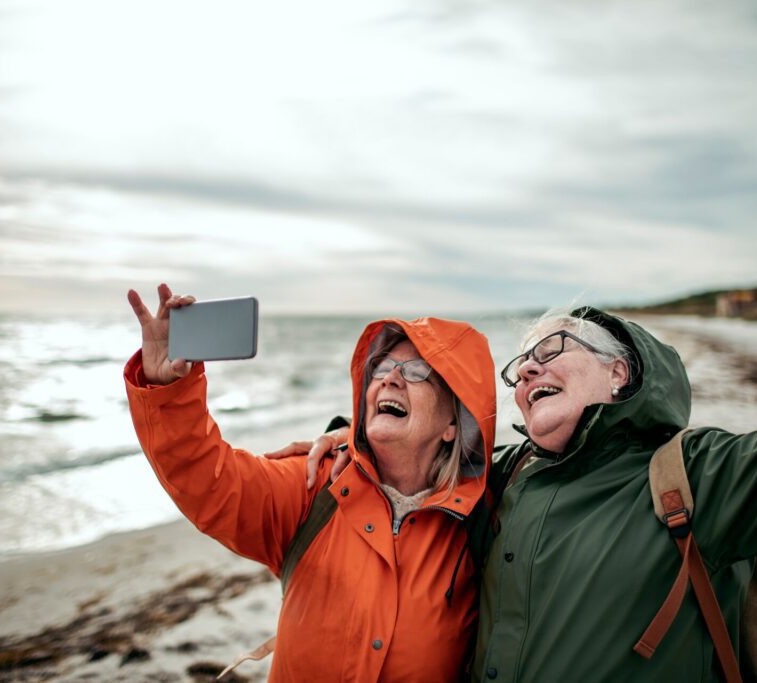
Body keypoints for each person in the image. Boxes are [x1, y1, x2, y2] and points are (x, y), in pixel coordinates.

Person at [286, 306, 757, 681]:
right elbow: (421, 461)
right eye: (521, 365)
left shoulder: (700, 474)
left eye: (552, 349)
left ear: (621, 370)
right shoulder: (505, 477)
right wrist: (352, 440)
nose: (526, 370)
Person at [123, 284, 497, 681]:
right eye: (383, 369)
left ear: (456, 425)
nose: (390, 380)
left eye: (418, 372)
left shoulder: (482, 521)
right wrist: (167, 389)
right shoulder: (315, 484)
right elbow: (210, 482)